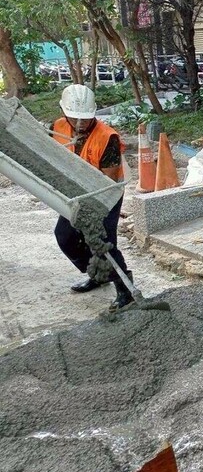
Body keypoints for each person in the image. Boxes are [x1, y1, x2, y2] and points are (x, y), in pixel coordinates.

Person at [51, 84, 133, 311]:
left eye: (85, 118)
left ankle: (125, 289)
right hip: (75, 192)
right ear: (63, 112)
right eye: (74, 118)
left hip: (105, 194)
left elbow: (107, 181)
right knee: (65, 236)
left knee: (102, 241)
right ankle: (97, 273)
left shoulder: (107, 138)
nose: (80, 123)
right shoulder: (57, 127)